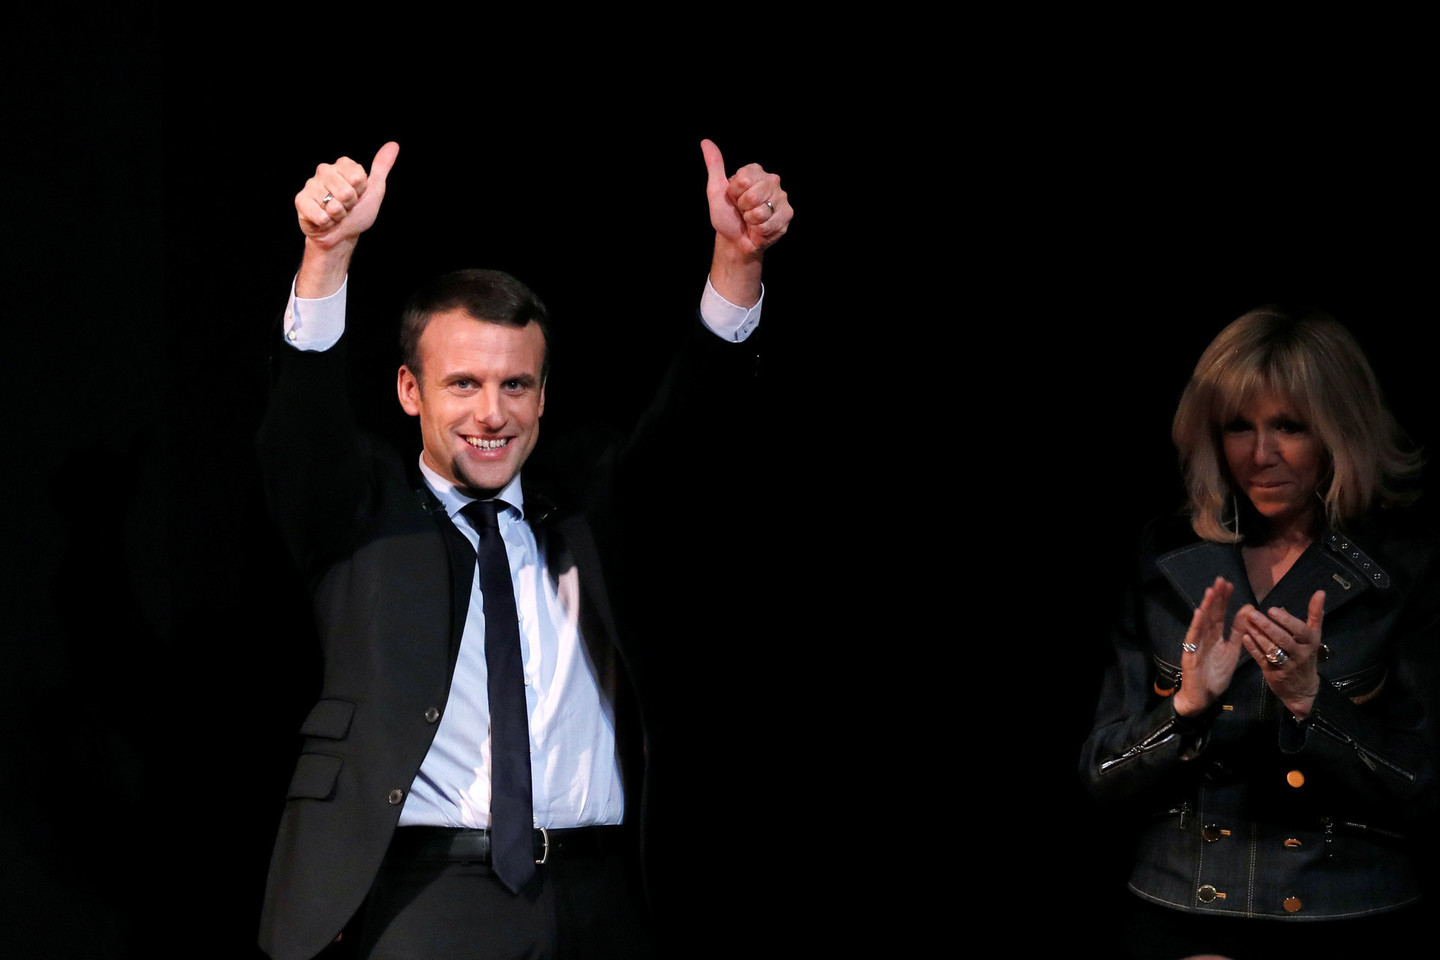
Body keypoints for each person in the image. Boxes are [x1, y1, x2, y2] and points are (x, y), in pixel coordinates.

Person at [256, 139, 792, 960]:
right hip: (431, 898)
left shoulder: (591, 505)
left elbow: (689, 433)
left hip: (603, 895)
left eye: (514, 385)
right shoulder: (363, 514)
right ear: (410, 391)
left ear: (543, 397)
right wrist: (326, 258)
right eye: (463, 384)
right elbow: (304, 430)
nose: (491, 413)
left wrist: (737, 263)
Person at [1079, 307, 1440, 959]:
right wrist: (1185, 708)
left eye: (1289, 426)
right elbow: (1101, 775)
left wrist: (1312, 703)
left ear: (1338, 430)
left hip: (1346, 914)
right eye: (1238, 426)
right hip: (1181, 913)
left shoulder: (1403, 566)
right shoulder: (1164, 554)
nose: (1260, 454)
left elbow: (1423, 786)